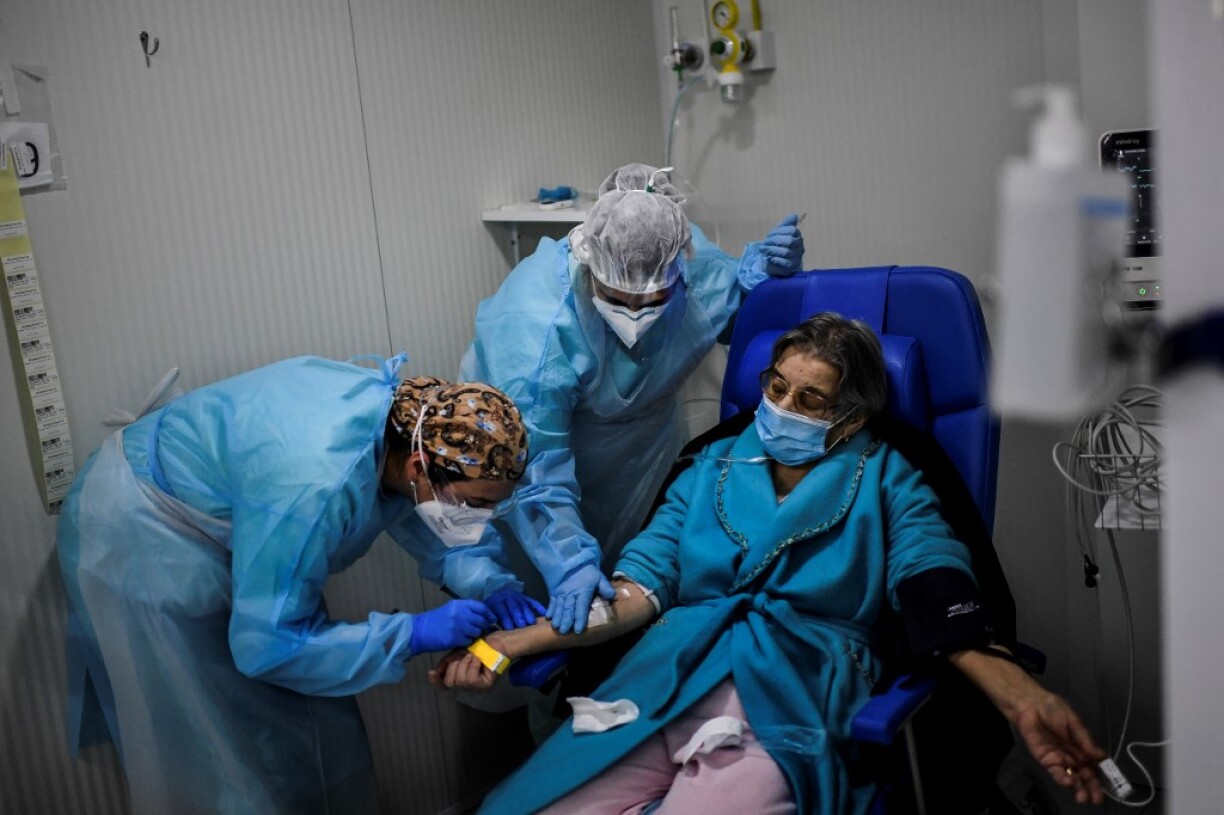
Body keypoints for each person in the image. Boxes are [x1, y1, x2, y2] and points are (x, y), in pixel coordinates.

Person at [433, 314, 1108, 814]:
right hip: (666, 680)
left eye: (809, 399)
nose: (781, 409)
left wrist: (1023, 697)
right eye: (776, 387)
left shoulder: (890, 477)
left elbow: (936, 588)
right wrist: (507, 643)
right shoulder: (709, 465)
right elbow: (636, 589)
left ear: (851, 416)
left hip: (793, 695)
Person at [56, 353, 539, 815]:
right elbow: (265, 647)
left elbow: (421, 514)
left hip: (229, 521)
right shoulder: (316, 487)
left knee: (317, 727)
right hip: (138, 533)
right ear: (419, 467)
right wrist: (411, 635)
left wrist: (491, 585)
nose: (478, 520)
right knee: (222, 752)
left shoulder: (408, 426)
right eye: (474, 504)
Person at [459, 163, 806, 634]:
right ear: (588, 261)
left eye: (653, 301)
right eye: (617, 300)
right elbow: (533, 469)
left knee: (647, 583)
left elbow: (741, 330)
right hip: (542, 474)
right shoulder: (535, 327)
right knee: (555, 620)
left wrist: (770, 286)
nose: (635, 316)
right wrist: (568, 562)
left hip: (647, 453)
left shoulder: (690, 266)